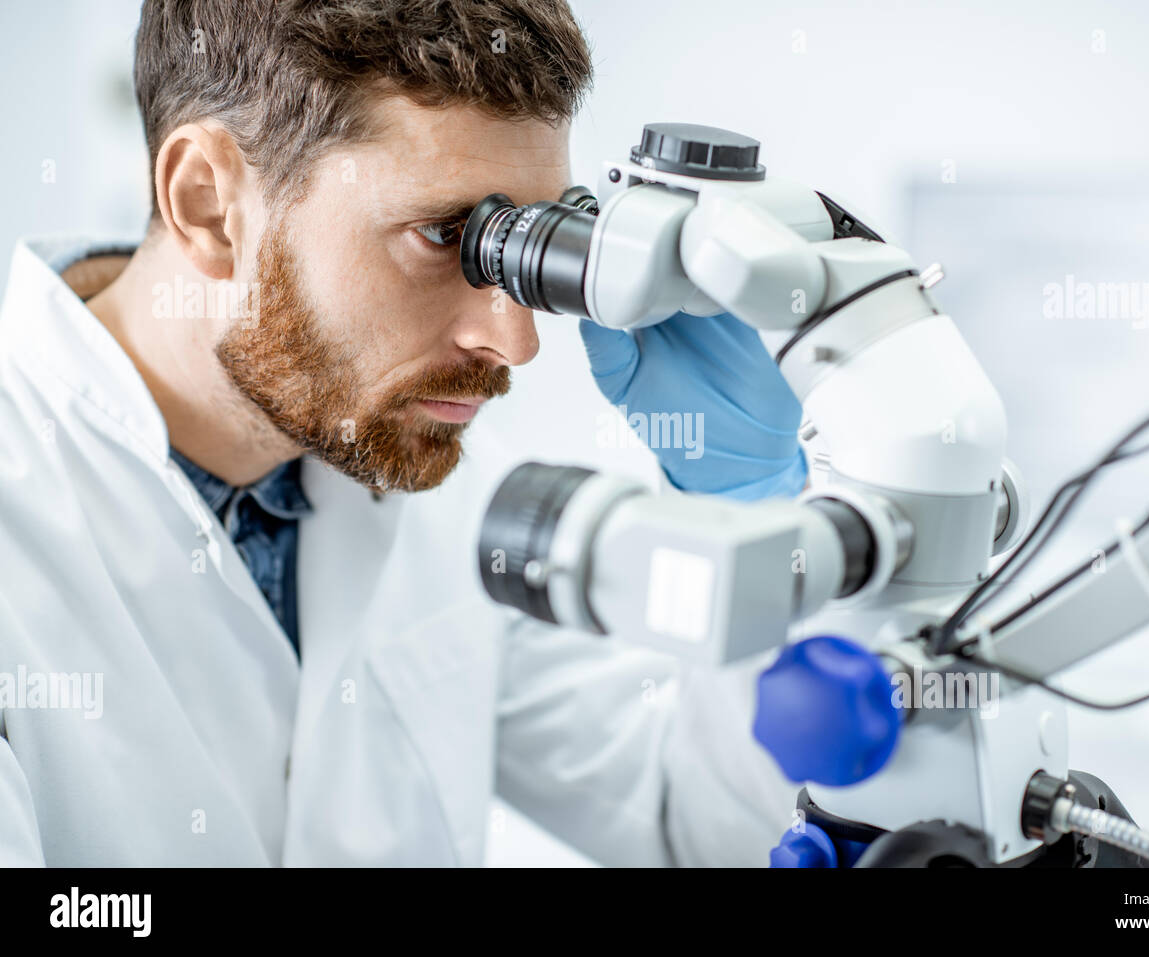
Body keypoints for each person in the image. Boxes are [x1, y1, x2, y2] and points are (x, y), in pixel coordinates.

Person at [0, 0, 808, 866]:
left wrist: (763, 523)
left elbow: (696, 824)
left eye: (520, 244)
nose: (516, 340)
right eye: (444, 236)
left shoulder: (443, 500)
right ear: (208, 203)